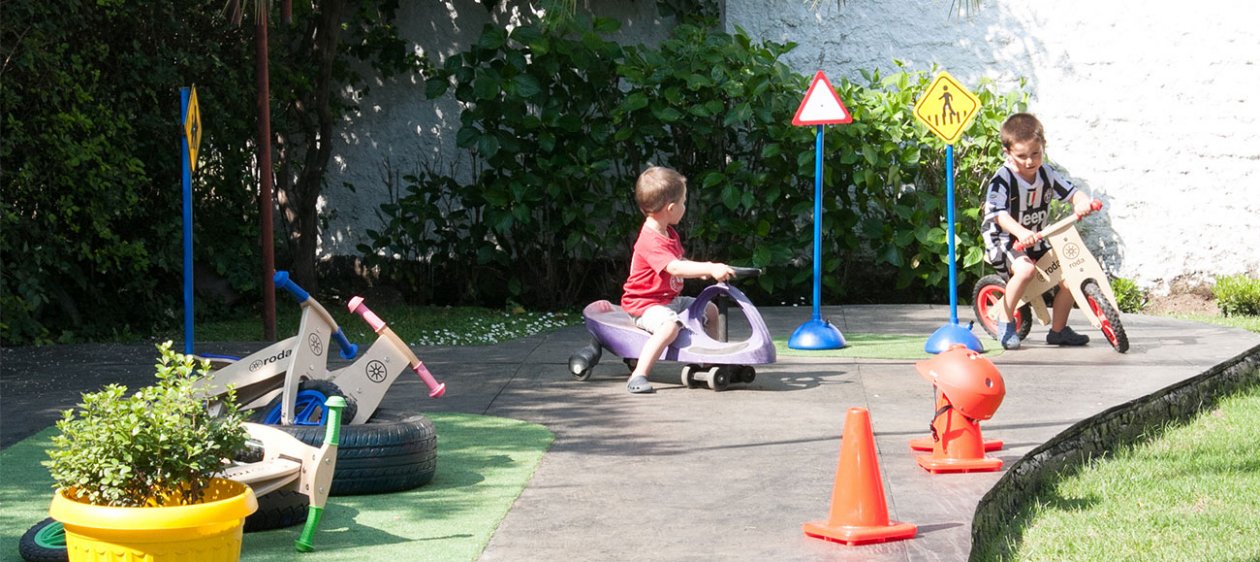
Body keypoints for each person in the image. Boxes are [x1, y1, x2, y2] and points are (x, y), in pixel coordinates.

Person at [981, 113, 1096, 350]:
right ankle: (1005, 319)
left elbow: (1073, 193)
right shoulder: (1002, 180)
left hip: (1035, 238)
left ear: (1044, 147)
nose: (1030, 162)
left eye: (1036, 154)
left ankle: (1059, 330)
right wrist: (1021, 232)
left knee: (1070, 273)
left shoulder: (1046, 174)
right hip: (1005, 239)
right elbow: (999, 214)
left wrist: (1081, 201)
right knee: (1024, 270)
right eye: (1021, 156)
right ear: (1007, 153)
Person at [620, 166, 735, 394]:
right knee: (669, 327)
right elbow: (673, 266)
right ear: (671, 208)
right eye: (683, 202)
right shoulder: (650, 239)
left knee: (710, 310)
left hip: (669, 299)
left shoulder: (668, 233)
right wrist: (710, 268)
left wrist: (696, 271)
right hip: (645, 305)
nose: (685, 207)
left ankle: (709, 359)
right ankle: (639, 374)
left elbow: (677, 263)